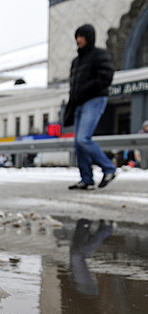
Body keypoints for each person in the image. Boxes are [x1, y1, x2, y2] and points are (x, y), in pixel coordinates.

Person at [64, 24, 116, 190]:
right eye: (77, 36)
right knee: (78, 144)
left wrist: (88, 89)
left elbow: (107, 76)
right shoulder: (76, 62)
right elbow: (73, 86)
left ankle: (109, 168)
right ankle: (86, 178)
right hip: (78, 104)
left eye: (81, 36)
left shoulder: (100, 55)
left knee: (83, 139)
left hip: (94, 100)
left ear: (89, 37)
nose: (78, 40)